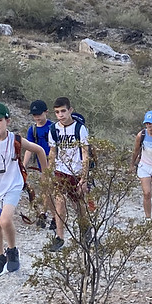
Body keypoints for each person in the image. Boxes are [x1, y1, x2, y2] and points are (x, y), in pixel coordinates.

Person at [0, 101, 48, 276]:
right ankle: (0, 255)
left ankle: (12, 250)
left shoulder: (15, 140)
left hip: (13, 185)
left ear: (7, 121)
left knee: (4, 220)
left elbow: (39, 150)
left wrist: (46, 174)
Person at [47, 97, 89, 252]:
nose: (60, 115)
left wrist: (84, 178)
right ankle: (60, 237)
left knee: (79, 204)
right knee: (59, 201)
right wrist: (48, 172)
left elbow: (85, 153)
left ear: (70, 110)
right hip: (60, 170)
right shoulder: (53, 129)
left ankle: (85, 230)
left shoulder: (80, 128)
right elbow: (52, 152)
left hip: (76, 171)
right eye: (57, 112)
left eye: (63, 111)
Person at [25, 100, 56, 230]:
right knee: (45, 190)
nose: (37, 117)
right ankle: (46, 214)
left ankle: (53, 216)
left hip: (55, 164)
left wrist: (50, 167)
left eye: (39, 114)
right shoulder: (32, 130)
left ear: (46, 113)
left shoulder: (53, 128)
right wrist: (23, 165)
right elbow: (28, 148)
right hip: (41, 165)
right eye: (34, 115)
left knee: (49, 191)